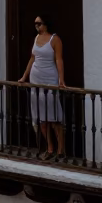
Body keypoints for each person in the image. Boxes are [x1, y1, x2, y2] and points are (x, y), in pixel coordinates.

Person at [17, 13, 66, 159]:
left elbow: (59, 60)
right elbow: (32, 58)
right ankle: (49, 148)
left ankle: (61, 150)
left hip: (49, 79)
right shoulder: (36, 38)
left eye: (39, 23)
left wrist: (61, 80)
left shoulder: (54, 39)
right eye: (35, 24)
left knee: (54, 117)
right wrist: (24, 77)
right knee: (41, 118)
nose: (37, 26)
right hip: (35, 79)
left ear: (46, 24)